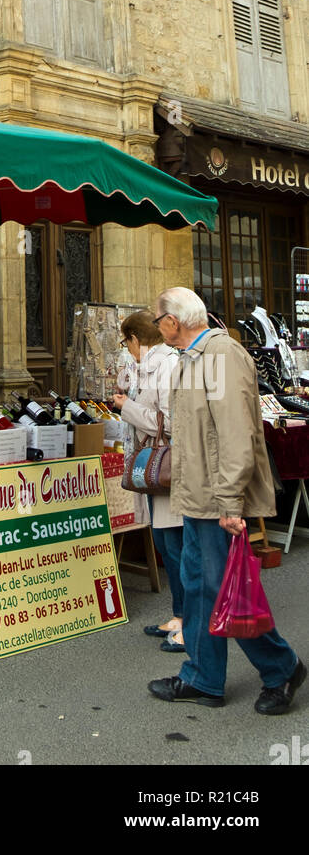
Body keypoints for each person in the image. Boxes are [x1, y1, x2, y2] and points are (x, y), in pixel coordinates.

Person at [146, 286, 304, 714]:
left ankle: (281, 666)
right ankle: (203, 678)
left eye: (158, 319)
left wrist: (231, 502)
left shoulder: (220, 356)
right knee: (200, 587)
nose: (157, 327)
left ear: (173, 321)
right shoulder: (195, 357)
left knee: (222, 588)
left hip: (218, 499)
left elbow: (236, 434)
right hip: (199, 496)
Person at [113, 311, 183, 651]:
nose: (128, 349)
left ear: (136, 340)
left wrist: (128, 407)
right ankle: (181, 614)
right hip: (154, 470)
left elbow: (170, 422)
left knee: (175, 547)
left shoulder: (167, 365)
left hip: (167, 468)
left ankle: (188, 622)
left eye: (127, 343)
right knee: (166, 544)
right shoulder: (148, 366)